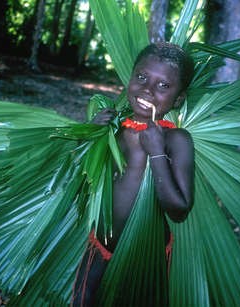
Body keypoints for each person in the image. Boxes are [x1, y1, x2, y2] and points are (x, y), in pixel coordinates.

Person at [72, 42, 195, 306]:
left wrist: (157, 153)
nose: (148, 89)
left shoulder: (176, 139)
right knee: (82, 300)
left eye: (163, 86)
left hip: (147, 253)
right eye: (141, 77)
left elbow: (180, 209)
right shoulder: (116, 127)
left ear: (179, 98)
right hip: (100, 243)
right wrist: (90, 133)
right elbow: (81, 175)